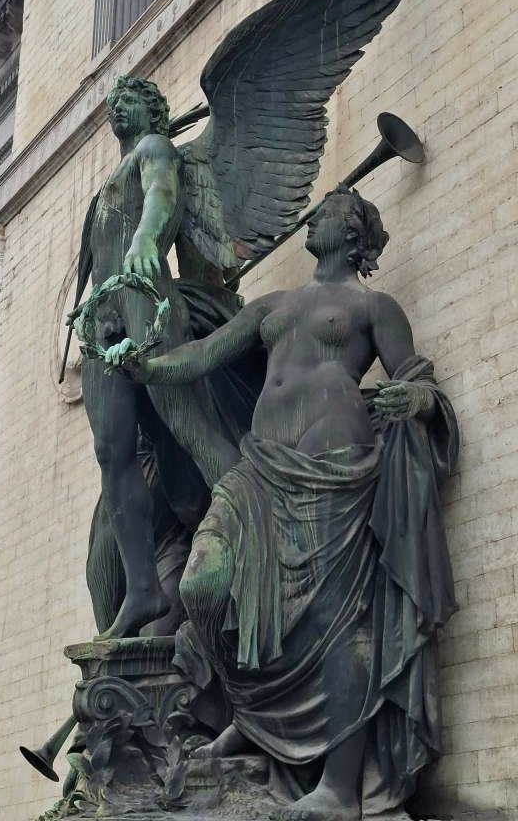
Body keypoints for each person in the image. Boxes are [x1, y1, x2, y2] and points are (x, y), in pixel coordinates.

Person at [108, 184, 458, 820]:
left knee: (335, 621)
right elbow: (201, 355)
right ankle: (256, 716)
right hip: (261, 471)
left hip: (335, 471)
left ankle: (340, 789)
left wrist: (418, 400)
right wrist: (148, 368)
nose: (313, 215)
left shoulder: (373, 305)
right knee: (203, 583)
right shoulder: (274, 304)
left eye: (328, 210)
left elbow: (417, 379)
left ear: (352, 233)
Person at [80, 76, 243, 640]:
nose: (114, 109)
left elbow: (162, 196)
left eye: (126, 100)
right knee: (112, 451)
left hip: (143, 296)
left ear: (151, 109)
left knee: (186, 423)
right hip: (102, 315)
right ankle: (143, 589)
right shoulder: (107, 181)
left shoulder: (155, 149)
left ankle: (252, 531)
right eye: (112, 103)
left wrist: (147, 239)